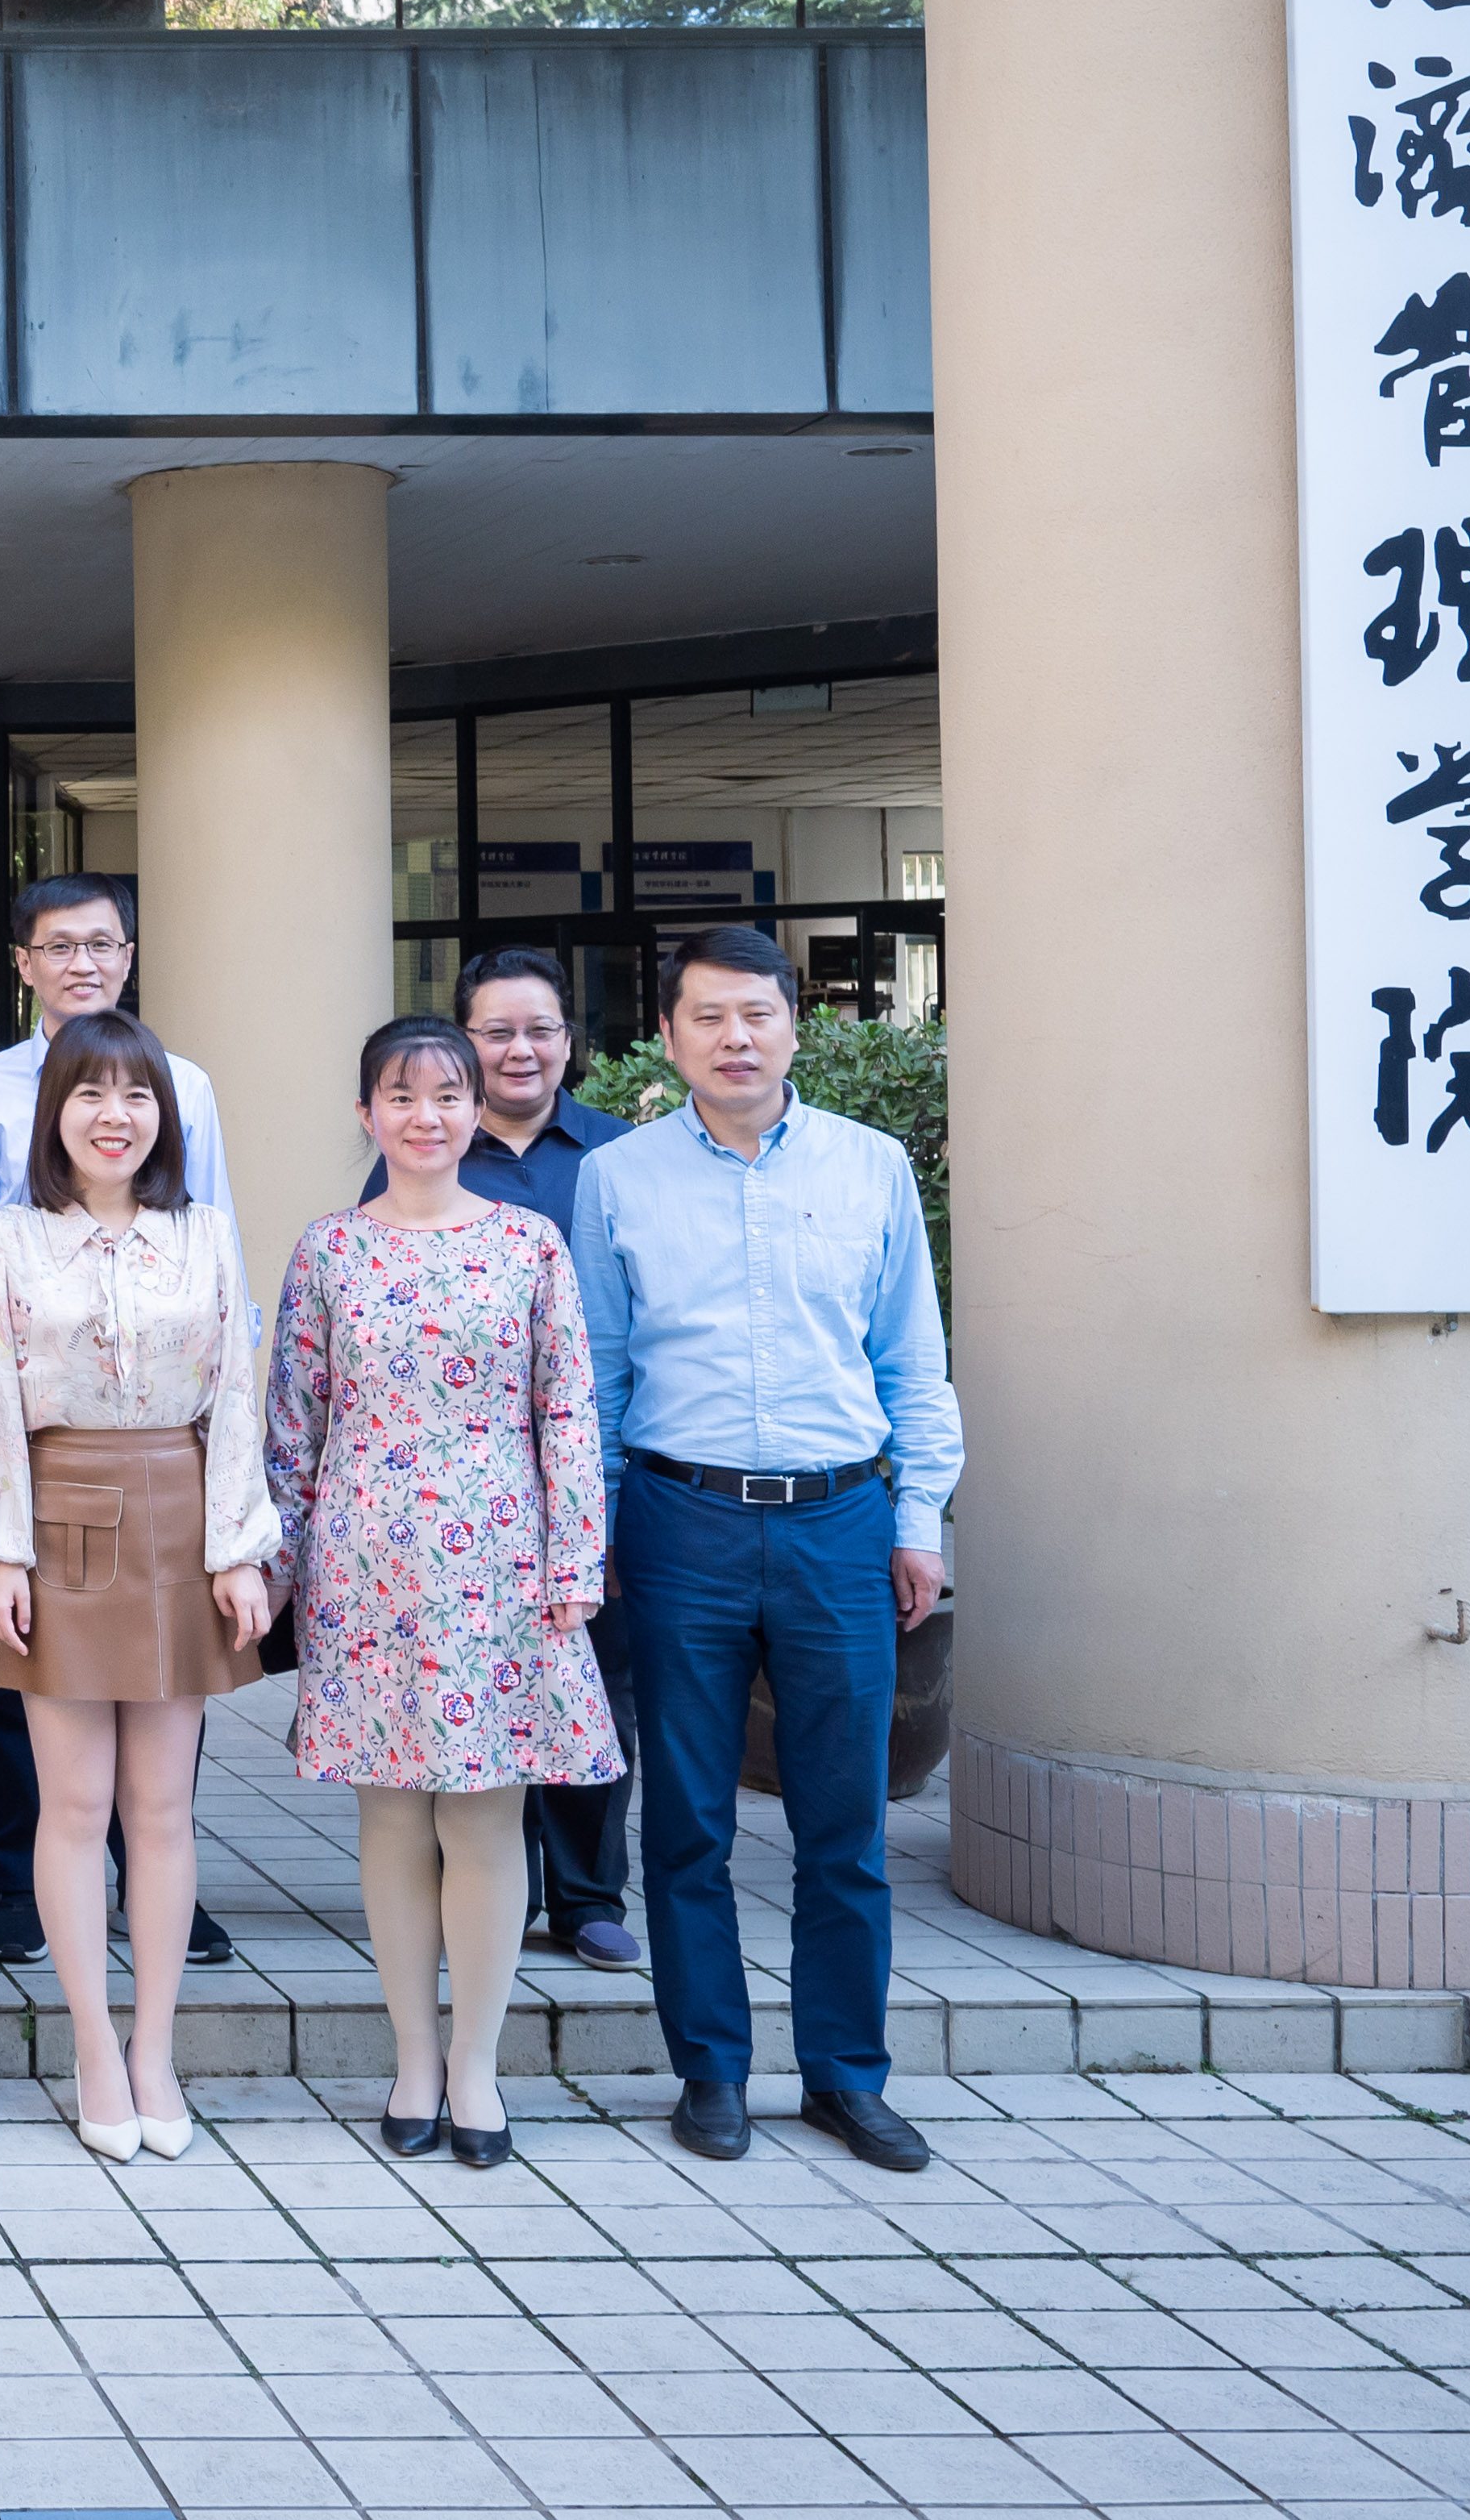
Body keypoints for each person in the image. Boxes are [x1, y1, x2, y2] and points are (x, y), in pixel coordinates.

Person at [571, 925, 959, 2178]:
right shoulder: (617, 1178)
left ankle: (846, 2074)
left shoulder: (870, 1165)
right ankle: (712, 2069)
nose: (735, 1038)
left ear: (796, 1024)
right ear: (667, 1034)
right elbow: (598, 1367)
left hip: (838, 1519)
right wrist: (599, 1523)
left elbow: (912, 1358)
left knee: (844, 1818)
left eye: (757, 1014)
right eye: (708, 1017)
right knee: (685, 1816)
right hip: (677, 1518)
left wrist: (917, 1517)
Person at [268, 1017, 618, 2174]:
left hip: (499, 1564)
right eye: (401, 1094)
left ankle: (477, 2063)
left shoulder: (528, 1244)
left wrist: (575, 1561)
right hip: (364, 1563)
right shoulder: (327, 1249)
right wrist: (278, 1566)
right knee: (390, 1817)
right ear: (366, 1112)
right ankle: (412, 2057)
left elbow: (567, 1407)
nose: (426, 1115)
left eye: (447, 1095)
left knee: (482, 1815)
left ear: (475, 1111)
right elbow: (292, 1427)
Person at [0, 1008, 275, 2164]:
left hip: (179, 1514)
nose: (114, 1115)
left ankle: (155, 2048)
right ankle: (92, 2045)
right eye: (89, 1093)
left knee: (161, 1808)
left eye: (136, 1094)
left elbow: (233, 1395)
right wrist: (1, 1552)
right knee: (74, 1803)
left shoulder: (205, 1233)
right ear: (54, 1111)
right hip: (59, 1516)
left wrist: (237, 1546)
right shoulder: (8, 1237)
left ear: (164, 1113)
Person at [0, 875, 236, 1973]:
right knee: (24, 1683)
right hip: (44, 1423)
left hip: (163, 1444)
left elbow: (213, 1246)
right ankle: (23, 1883)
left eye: (102, 943)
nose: (83, 962)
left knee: (161, 1691)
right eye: (60, 946)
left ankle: (155, 1885)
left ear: (128, 954)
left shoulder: (185, 1083)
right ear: (24, 963)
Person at [440, 946, 646, 1974]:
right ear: (464, 1042)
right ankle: (486, 1887)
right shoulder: (432, 1150)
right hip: (465, 1480)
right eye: (497, 1031)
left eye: (540, 1030)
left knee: (593, 1676)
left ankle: (587, 1894)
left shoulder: (623, 1157)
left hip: (594, 1466)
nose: (520, 1049)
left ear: (571, 1039)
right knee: (476, 1676)